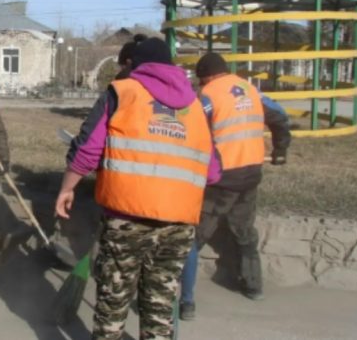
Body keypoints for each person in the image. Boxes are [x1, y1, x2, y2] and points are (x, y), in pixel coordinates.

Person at [55, 38, 220, 340]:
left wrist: (67, 188)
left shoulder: (122, 93)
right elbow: (213, 172)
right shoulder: (196, 106)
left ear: (135, 65)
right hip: (179, 222)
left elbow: (88, 150)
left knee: (114, 302)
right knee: (160, 303)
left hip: (126, 217)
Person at [179, 52, 291, 321]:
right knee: (244, 231)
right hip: (251, 172)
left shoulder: (205, 96)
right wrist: (280, 150)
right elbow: (280, 117)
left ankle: (186, 301)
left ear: (204, 75)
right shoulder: (250, 90)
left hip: (221, 179)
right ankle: (254, 286)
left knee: (193, 236)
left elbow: (188, 130)